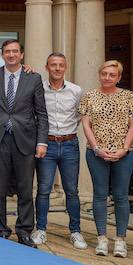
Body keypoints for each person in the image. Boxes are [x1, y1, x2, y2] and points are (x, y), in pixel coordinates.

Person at [0, 39, 47, 247]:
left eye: (15, 51)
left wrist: (42, 142)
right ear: (2, 55)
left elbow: (41, 113)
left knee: (25, 188)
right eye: (7, 52)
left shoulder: (34, 78)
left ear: (21, 55)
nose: (11, 55)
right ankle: (0, 230)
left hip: (26, 139)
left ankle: (25, 230)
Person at [79, 60, 133, 257]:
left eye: (112, 75)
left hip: (124, 154)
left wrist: (124, 149)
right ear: (99, 74)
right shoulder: (89, 96)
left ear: (119, 77)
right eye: (104, 73)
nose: (107, 77)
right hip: (96, 153)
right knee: (100, 195)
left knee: (121, 196)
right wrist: (96, 148)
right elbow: (86, 125)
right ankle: (102, 238)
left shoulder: (129, 96)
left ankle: (120, 240)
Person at [33, 53, 86, 249]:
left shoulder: (76, 90)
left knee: (71, 190)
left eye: (61, 65)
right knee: (44, 189)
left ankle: (76, 231)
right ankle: (40, 229)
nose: (57, 68)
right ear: (46, 67)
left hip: (70, 143)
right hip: (46, 144)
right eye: (53, 65)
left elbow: (80, 115)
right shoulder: (39, 90)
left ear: (66, 67)